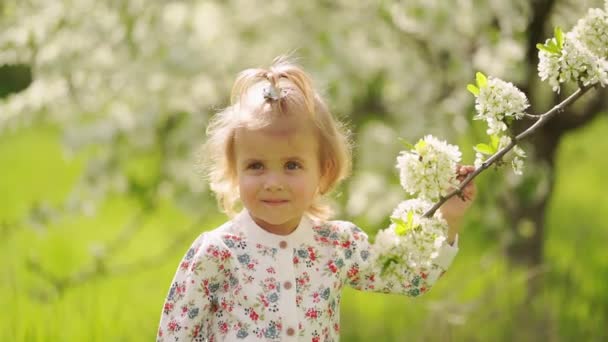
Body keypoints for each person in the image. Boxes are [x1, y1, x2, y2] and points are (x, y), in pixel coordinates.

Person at [157, 56, 477, 341]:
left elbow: (410, 280)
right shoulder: (218, 252)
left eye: (292, 165)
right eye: (255, 166)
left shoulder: (336, 245)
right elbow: (178, 333)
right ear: (234, 171)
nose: (273, 182)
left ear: (323, 171)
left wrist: (449, 218)